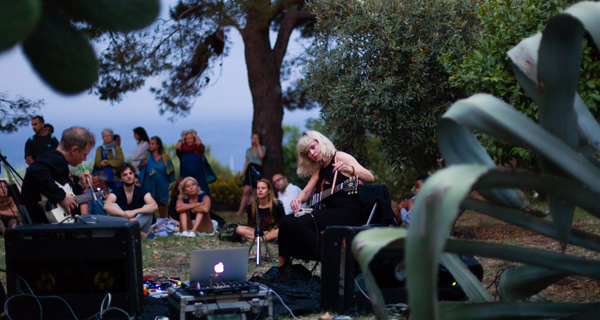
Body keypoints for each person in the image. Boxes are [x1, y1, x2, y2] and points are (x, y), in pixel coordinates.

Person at [278, 130, 375, 267]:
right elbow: (306, 191)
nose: (311, 153)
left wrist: (350, 169)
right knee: (285, 221)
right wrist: (298, 200)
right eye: (307, 152)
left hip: (348, 212)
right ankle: (284, 266)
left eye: (312, 147)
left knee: (303, 222)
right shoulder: (320, 169)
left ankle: (332, 259)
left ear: (320, 142)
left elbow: (370, 177)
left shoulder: (339, 157)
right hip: (330, 213)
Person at [21, 126, 95, 224]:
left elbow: (65, 193)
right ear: (74, 150)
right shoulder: (56, 159)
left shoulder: (54, 159)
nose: (85, 159)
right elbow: (35, 170)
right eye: (84, 154)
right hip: (42, 226)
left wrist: (81, 185)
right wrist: (62, 196)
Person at [104, 162, 158, 237]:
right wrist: (125, 215)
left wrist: (133, 212)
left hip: (139, 224)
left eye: (130, 173)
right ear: (120, 179)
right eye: (125, 175)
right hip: (123, 225)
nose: (129, 176)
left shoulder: (142, 191)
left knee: (148, 207)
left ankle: (130, 232)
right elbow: (106, 206)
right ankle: (140, 234)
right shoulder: (116, 192)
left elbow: (154, 206)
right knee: (113, 205)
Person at [139, 136, 175, 218]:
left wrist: (171, 183)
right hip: (149, 183)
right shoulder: (146, 156)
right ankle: (150, 222)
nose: (150, 146)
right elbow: (140, 169)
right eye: (150, 144)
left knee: (162, 204)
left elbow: (170, 171)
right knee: (148, 203)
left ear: (158, 145)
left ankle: (163, 222)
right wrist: (143, 164)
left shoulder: (165, 157)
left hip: (162, 183)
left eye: (152, 144)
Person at [236, 133, 266, 215]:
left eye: (257, 138)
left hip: (257, 169)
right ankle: (240, 210)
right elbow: (246, 162)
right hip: (250, 169)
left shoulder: (262, 148)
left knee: (255, 192)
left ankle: (250, 210)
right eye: (253, 138)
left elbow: (262, 155)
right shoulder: (248, 150)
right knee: (246, 190)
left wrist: (258, 144)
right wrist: (242, 173)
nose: (255, 139)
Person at [176, 129, 211, 199]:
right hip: (185, 177)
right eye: (187, 139)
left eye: (191, 138)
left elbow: (200, 144)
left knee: (202, 196)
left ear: (194, 139)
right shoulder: (182, 150)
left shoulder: (198, 149)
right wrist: (182, 138)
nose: (189, 140)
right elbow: (177, 147)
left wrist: (195, 135)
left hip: (199, 178)